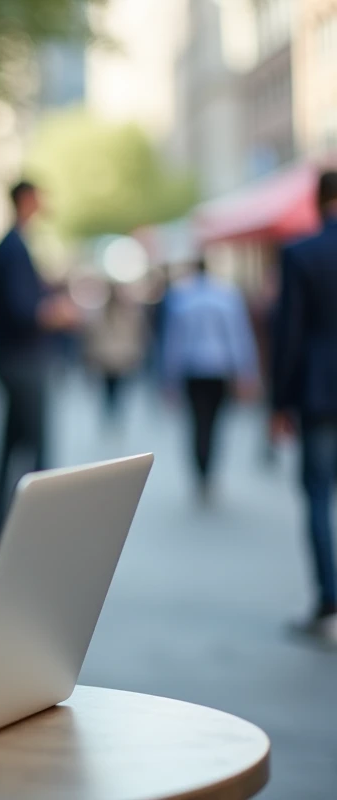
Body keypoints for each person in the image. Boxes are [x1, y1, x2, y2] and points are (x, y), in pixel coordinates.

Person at [0, 180, 79, 536]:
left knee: (12, 446)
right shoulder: (14, 248)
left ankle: (2, 524)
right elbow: (22, 310)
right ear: (26, 200)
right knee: (37, 448)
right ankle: (39, 528)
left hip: (16, 360)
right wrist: (56, 313)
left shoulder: (12, 245)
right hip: (23, 361)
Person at [271, 170, 337, 641]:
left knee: (317, 495)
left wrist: (278, 404)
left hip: (319, 392)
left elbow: (287, 334)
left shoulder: (301, 253)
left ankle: (329, 601)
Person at [162, 258, 259, 504]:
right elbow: (238, 336)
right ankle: (209, 470)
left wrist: (169, 377)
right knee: (215, 423)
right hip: (219, 369)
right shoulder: (226, 296)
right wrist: (246, 372)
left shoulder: (182, 298)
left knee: (197, 422)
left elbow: (173, 340)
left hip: (192, 369)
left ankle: (201, 471)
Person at [85, 282, 148, 428]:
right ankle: (113, 414)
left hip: (111, 358)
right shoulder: (122, 313)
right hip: (116, 358)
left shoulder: (121, 313)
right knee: (115, 389)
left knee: (111, 389)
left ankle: (112, 414)